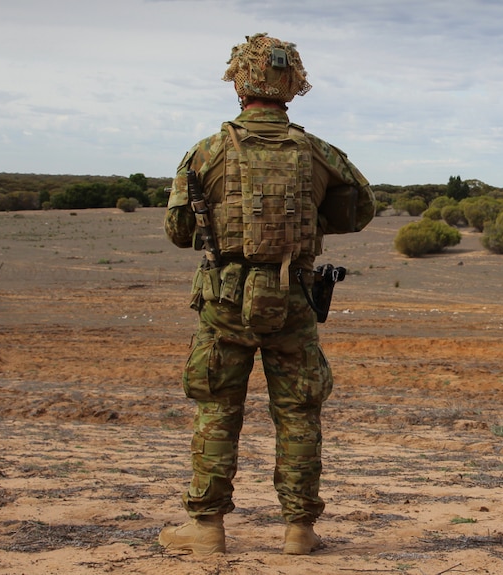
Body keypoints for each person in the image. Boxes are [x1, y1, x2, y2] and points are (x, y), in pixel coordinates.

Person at [159, 33, 375, 556]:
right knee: (299, 412)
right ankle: (299, 530)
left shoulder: (206, 152)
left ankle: (206, 527)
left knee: (217, 409)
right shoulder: (317, 152)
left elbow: (178, 228)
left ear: (239, 82)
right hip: (295, 297)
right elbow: (359, 210)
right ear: (291, 84)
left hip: (225, 300)